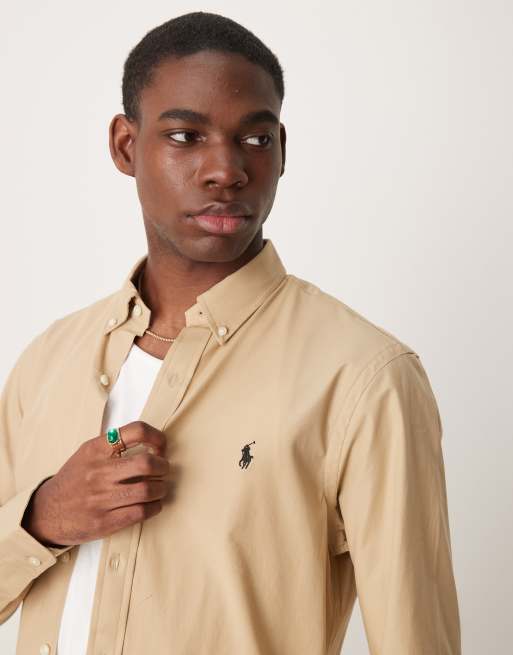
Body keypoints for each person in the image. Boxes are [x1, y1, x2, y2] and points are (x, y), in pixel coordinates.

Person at [0, 11, 461, 655]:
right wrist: (43, 519)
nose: (226, 169)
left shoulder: (363, 377)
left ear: (282, 151)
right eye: (185, 136)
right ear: (126, 147)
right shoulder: (49, 361)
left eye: (255, 138)